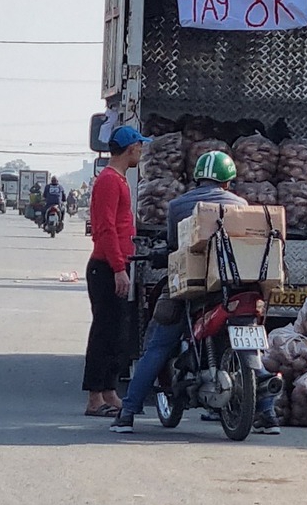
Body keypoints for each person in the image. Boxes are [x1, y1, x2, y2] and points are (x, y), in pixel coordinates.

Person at [111, 150, 281, 435]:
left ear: (197, 176)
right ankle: (268, 415)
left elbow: (173, 245)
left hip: (193, 290)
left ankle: (127, 412)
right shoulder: (241, 205)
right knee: (251, 348)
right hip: (239, 287)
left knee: (158, 343)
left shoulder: (178, 205)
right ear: (228, 181)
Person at [83, 126, 146, 417]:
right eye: (139, 146)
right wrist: (119, 268)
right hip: (107, 267)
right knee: (104, 333)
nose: (141, 151)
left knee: (116, 333)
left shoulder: (117, 180)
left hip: (116, 265)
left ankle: (108, 392)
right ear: (131, 148)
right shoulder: (109, 181)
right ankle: (96, 398)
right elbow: (105, 229)